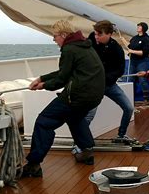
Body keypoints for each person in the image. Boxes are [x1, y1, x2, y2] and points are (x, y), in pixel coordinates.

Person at [22, 20, 105, 177]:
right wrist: (41, 78)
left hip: (78, 96)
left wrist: (43, 85)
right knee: (75, 118)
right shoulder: (84, 46)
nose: (54, 40)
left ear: (64, 35)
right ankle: (87, 153)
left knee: (44, 122)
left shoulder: (69, 49)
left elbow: (62, 79)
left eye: (55, 37)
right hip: (94, 96)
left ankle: (33, 165)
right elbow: (64, 72)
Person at [85, 20, 135, 141]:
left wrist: (107, 78)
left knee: (129, 108)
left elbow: (120, 70)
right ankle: (81, 140)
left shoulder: (116, 49)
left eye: (99, 34)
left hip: (109, 85)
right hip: (94, 86)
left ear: (109, 34)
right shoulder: (91, 39)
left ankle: (121, 135)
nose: (96, 37)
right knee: (89, 115)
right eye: (95, 33)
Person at [121, 22, 149, 103]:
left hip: (142, 61)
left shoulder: (146, 39)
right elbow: (130, 46)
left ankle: (146, 98)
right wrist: (123, 40)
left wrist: (132, 51)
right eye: (138, 26)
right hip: (133, 61)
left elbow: (144, 52)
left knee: (142, 79)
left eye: (139, 26)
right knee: (131, 79)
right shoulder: (134, 38)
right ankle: (131, 98)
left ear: (143, 28)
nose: (137, 27)